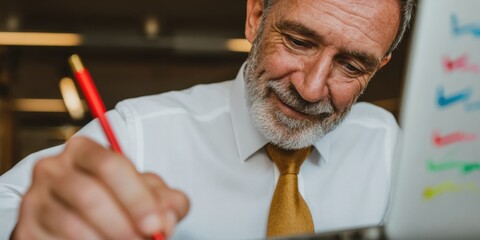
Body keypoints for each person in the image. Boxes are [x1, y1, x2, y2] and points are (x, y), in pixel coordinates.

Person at [0, 0, 416, 239]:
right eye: (299, 41)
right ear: (255, 16)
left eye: (351, 65)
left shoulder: (389, 147)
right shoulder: (137, 134)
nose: (311, 88)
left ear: (380, 65)